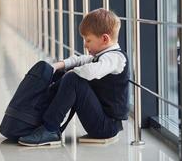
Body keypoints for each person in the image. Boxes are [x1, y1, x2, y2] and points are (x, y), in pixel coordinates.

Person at [18, 8, 130, 147]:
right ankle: (41, 120)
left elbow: (89, 71)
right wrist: (58, 66)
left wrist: (69, 75)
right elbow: (82, 60)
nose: (85, 45)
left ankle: (50, 129)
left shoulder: (114, 58)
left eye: (88, 40)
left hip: (106, 127)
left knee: (73, 78)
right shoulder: (104, 55)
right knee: (71, 74)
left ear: (105, 39)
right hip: (103, 121)